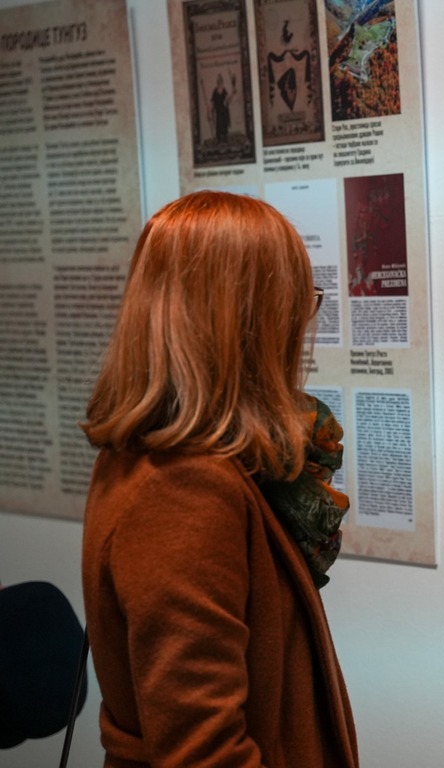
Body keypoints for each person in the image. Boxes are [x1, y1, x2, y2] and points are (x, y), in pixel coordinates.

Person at [80, 191, 358, 767]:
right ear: (249, 321)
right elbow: (202, 750)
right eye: (295, 303)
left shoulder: (182, 460)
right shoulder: (182, 488)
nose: (301, 325)